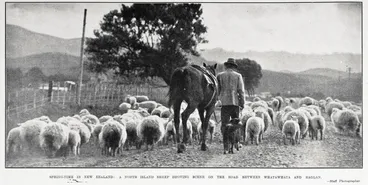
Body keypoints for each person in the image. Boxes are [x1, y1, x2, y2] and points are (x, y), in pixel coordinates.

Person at [216, 58, 246, 135]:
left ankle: (226, 143)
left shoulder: (219, 75)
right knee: (235, 123)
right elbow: (241, 91)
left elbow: (217, 91)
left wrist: (217, 101)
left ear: (226, 66)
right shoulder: (238, 76)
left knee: (224, 123)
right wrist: (242, 103)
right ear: (233, 66)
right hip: (235, 103)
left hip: (224, 103)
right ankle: (235, 140)